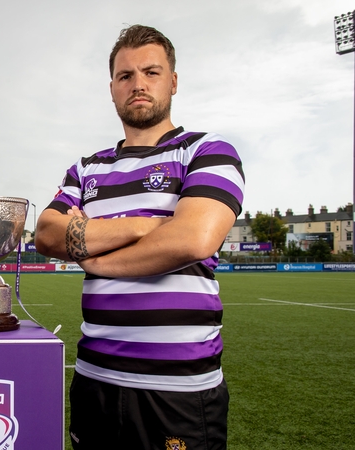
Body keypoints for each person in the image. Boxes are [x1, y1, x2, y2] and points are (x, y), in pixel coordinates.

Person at [35, 24, 244, 449]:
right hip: (94, 379)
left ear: (173, 81)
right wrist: (147, 224)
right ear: (112, 88)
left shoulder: (207, 150)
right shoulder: (86, 169)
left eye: (151, 72)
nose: (138, 84)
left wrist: (92, 253)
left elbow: (193, 240)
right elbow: (48, 234)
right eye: (125, 75)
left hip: (178, 387)